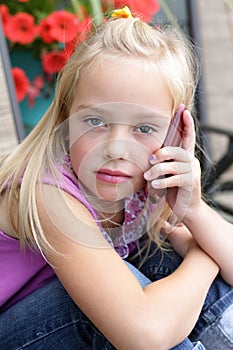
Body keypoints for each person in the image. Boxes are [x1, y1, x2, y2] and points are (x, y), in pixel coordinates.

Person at [0, 6, 233, 350]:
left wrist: (194, 210)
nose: (116, 149)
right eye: (95, 121)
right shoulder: (47, 193)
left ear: (173, 132)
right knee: (117, 304)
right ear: (66, 121)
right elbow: (143, 335)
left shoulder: (145, 186)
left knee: (164, 262)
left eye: (143, 128)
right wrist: (203, 258)